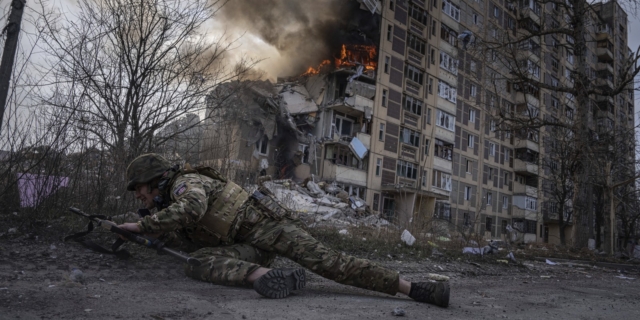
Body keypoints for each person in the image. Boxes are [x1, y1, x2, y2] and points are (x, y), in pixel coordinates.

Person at [118, 153, 450, 307]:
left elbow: (193, 207)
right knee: (195, 261)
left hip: (269, 229)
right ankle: (264, 276)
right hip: (250, 250)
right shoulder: (167, 202)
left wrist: (142, 223)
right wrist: (141, 232)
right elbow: (186, 235)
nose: (139, 195)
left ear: (157, 179)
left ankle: (415, 289)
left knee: (331, 263)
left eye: (140, 188)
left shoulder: (184, 184)